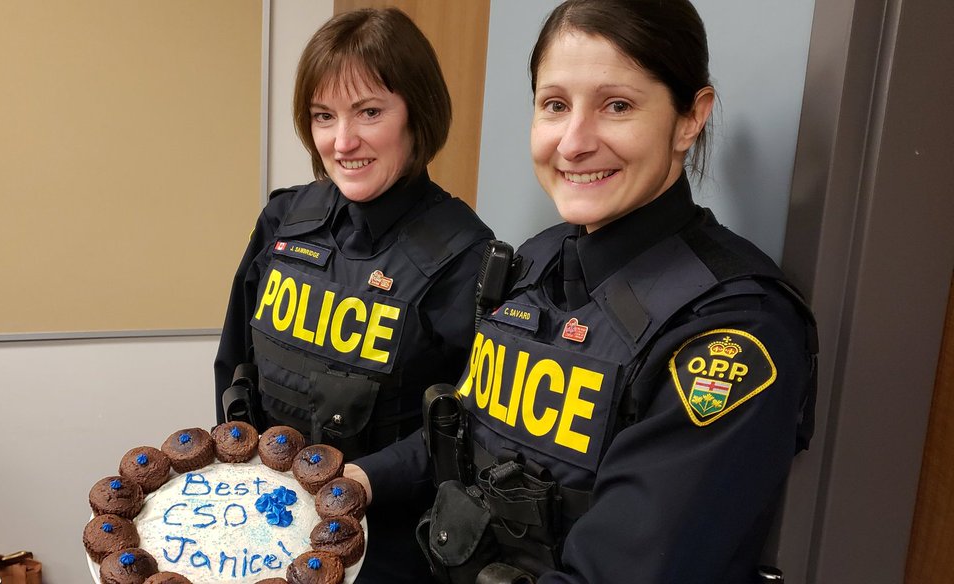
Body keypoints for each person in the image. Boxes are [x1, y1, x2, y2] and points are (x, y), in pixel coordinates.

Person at [347, 1, 818, 582]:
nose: (573, 143)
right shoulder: (537, 261)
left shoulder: (733, 328)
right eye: (555, 106)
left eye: (616, 105)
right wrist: (351, 482)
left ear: (691, 117)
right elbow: (465, 433)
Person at [213, 8, 493, 582]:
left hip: (383, 544)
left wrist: (360, 483)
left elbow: (472, 429)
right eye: (323, 116)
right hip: (265, 527)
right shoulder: (284, 218)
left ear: (417, 114)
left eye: (369, 112)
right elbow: (234, 362)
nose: (343, 142)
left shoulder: (465, 256)